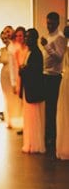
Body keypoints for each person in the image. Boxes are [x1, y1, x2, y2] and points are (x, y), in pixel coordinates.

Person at [41, 12, 66, 156]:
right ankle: (48, 135)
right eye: (47, 23)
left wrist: (46, 46)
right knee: (47, 109)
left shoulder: (60, 37)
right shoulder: (50, 36)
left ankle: (52, 137)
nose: (49, 25)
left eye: (51, 23)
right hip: (45, 75)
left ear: (57, 23)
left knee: (52, 109)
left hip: (54, 77)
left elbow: (59, 57)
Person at [20, 28, 46, 154]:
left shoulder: (36, 53)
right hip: (29, 88)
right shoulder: (29, 52)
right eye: (25, 37)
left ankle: (35, 144)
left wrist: (23, 70)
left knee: (34, 118)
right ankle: (30, 143)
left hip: (34, 89)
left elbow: (35, 72)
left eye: (29, 37)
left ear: (35, 39)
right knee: (30, 117)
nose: (26, 39)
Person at [0, 26, 21, 129]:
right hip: (4, 75)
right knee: (7, 98)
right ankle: (9, 120)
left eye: (7, 33)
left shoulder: (15, 46)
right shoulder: (1, 50)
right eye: (4, 36)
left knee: (16, 97)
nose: (5, 38)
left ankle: (17, 119)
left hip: (14, 73)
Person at [11, 27, 29, 134]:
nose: (19, 38)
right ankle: (24, 125)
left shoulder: (28, 49)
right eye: (17, 36)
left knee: (27, 102)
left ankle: (28, 125)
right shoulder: (17, 51)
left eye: (21, 35)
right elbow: (16, 67)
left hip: (28, 78)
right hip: (20, 78)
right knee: (22, 102)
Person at [56, 26, 69, 160]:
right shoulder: (65, 49)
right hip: (66, 80)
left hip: (65, 80)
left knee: (65, 112)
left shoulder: (64, 49)